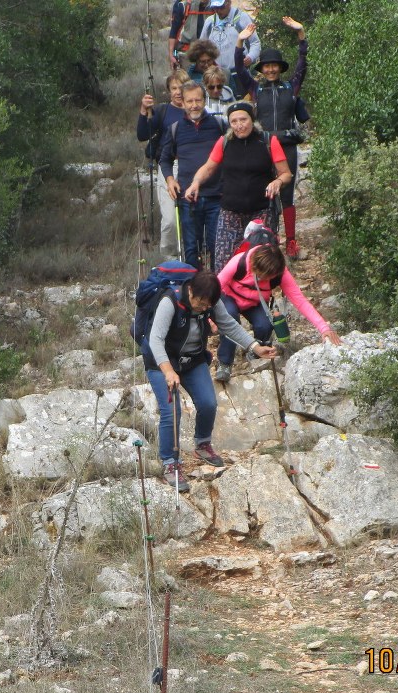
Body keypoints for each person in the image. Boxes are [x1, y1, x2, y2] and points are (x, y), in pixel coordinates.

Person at [142, 268, 278, 490]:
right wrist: (168, 371)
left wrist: (254, 346)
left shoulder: (211, 302)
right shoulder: (170, 301)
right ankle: (170, 463)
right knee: (172, 410)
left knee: (208, 403)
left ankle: (202, 444)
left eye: (208, 306)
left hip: (193, 360)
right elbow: (156, 340)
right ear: (190, 290)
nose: (203, 308)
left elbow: (229, 325)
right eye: (200, 303)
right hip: (161, 362)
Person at [184, 101, 292, 273]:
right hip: (230, 211)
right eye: (234, 121)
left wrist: (277, 182)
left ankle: (258, 297)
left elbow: (286, 174)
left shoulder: (268, 141)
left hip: (262, 210)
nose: (239, 125)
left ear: (252, 121)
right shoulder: (224, 142)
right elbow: (208, 167)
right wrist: (195, 183)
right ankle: (224, 298)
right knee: (223, 262)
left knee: (261, 262)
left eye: (243, 120)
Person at [235, 18, 310, 258]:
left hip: (286, 147)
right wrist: (240, 42)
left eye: (274, 65)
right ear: (261, 69)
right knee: (264, 193)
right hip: (264, 147)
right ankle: (267, 239)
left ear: (280, 67)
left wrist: (301, 35)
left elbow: (302, 65)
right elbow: (238, 69)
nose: (270, 69)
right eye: (266, 66)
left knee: (286, 194)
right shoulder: (256, 89)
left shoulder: (291, 87)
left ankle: (291, 242)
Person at [214, 241, 342, 382]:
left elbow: (299, 300)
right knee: (230, 317)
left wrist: (324, 328)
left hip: (255, 302)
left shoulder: (280, 273)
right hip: (229, 297)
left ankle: (257, 355)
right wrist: (210, 318)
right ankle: (225, 363)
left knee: (265, 325)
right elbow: (214, 289)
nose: (266, 279)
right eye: (263, 276)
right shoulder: (239, 263)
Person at [159, 81, 226, 270]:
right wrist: (170, 180)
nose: (194, 105)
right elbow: (165, 160)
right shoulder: (175, 129)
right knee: (190, 250)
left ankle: (217, 290)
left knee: (217, 247)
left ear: (205, 101)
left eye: (198, 100)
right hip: (187, 198)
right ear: (183, 103)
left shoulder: (218, 125)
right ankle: (193, 292)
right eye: (189, 101)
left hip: (216, 196)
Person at [136, 69, 190, 259]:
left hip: (192, 168)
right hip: (167, 168)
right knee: (169, 220)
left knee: (189, 218)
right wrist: (144, 111)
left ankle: (191, 257)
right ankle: (169, 261)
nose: (177, 92)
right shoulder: (162, 111)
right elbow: (142, 135)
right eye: (173, 88)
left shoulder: (197, 111)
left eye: (181, 87)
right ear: (169, 91)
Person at [200, 0, 259, 98]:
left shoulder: (242, 18)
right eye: (215, 8)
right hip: (216, 76)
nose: (218, 11)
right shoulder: (210, 22)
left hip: (238, 74)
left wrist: (250, 57)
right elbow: (202, 48)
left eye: (221, 7)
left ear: (229, 3)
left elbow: (255, 43)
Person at [168, 0, 212, 69]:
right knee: (185, 79)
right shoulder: (182, 5)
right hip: (185, 54)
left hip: (208, 55)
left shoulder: (215, 6)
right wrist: (172, 55)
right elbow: (174, 32)